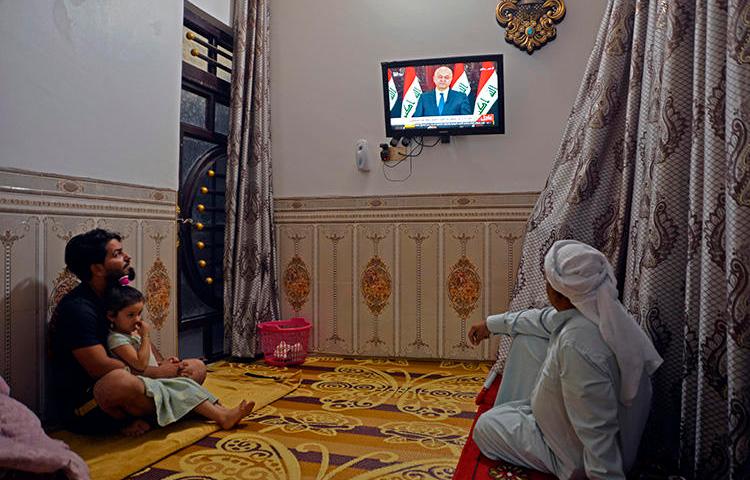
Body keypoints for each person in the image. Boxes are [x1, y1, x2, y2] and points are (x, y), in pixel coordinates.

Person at [467, 240, 663, 479]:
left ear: (559, 295)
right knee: (529, 339)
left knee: (485, 428)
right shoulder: (603, 312)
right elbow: (541, 320)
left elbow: (598, 429)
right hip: (570, 419)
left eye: (548, 282)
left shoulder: (577, 345)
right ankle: (526, 415)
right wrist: (490, 325)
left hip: (573, 453)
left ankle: (531, 430)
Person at [50, 229, 207, 436]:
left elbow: (135, 335)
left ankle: (161, 410)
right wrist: (158, 373)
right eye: (117, 254)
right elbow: (100, 368)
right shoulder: (78, 308)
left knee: (196, 367)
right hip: (91, 400)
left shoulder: (115, 296)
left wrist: (162, 363)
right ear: (97, 268)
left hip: (138, 377)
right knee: (120, 383)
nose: (127, 257)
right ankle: (182, 408)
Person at [105, 285, 254, 429]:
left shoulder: (132, 333)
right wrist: (145, 336)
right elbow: (140, 364)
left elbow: (152, 358)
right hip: (144, 384)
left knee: (186, 383)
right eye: (130, 315)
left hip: (153, 378)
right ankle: (221, 417)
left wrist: (164, 363)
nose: (137, 320)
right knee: (183, 388)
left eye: (139, 314)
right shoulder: (117, 339)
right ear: (111, 316)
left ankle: (223, 411)